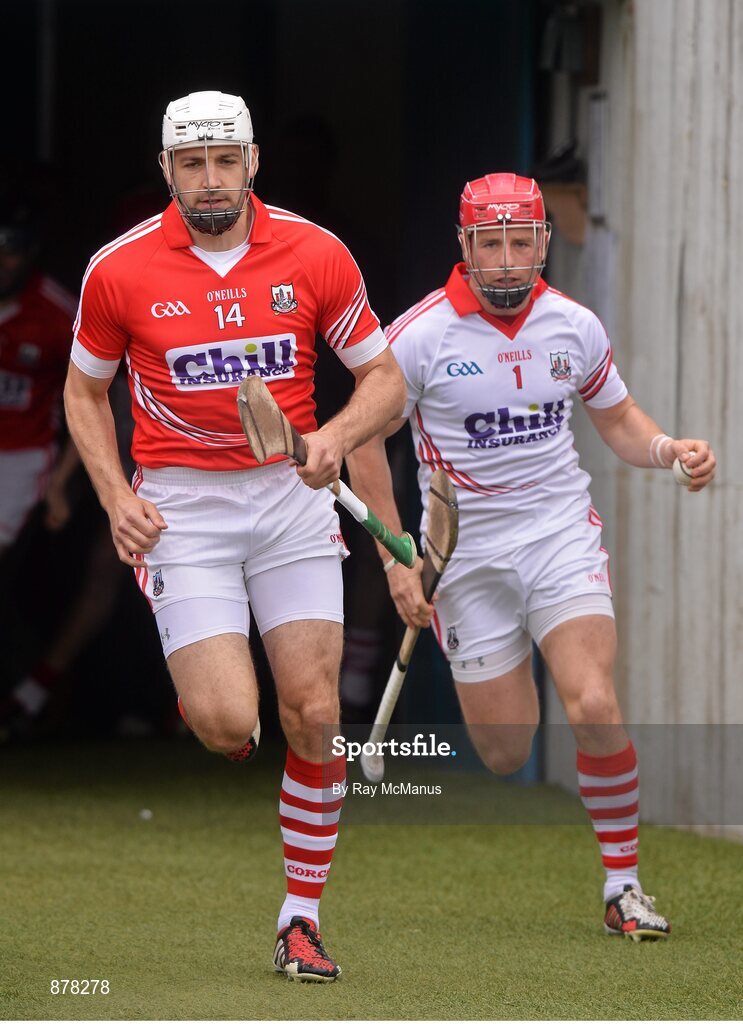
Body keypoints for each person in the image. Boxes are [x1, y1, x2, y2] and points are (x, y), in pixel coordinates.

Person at [64, 91, 406, 981]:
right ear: (167, 170)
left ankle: (300, 921)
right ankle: (214, 705)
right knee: (228, 726)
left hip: (289, 499)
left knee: (316, 714)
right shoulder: (119, 270)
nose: (209, 181)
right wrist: (112, 497)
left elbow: (384, 382)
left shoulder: (315, 251)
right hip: (185, 508)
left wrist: (333, 436)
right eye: (191, 164)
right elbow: (81, 392)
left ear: (253, 162)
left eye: (225, 161)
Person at [346, 173, 716, 941]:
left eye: (522, 241)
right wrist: (395, 555)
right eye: (492, 244)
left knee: (592, 704)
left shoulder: (571, 326)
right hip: (465, 556)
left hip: (556, 534)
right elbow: (363, 442)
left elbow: (615, 419)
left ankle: (623, 885)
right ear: (466, 248)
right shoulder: (417, 337)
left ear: (542, 241)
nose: (509, 261)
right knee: (505, 751)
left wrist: (664, 448)